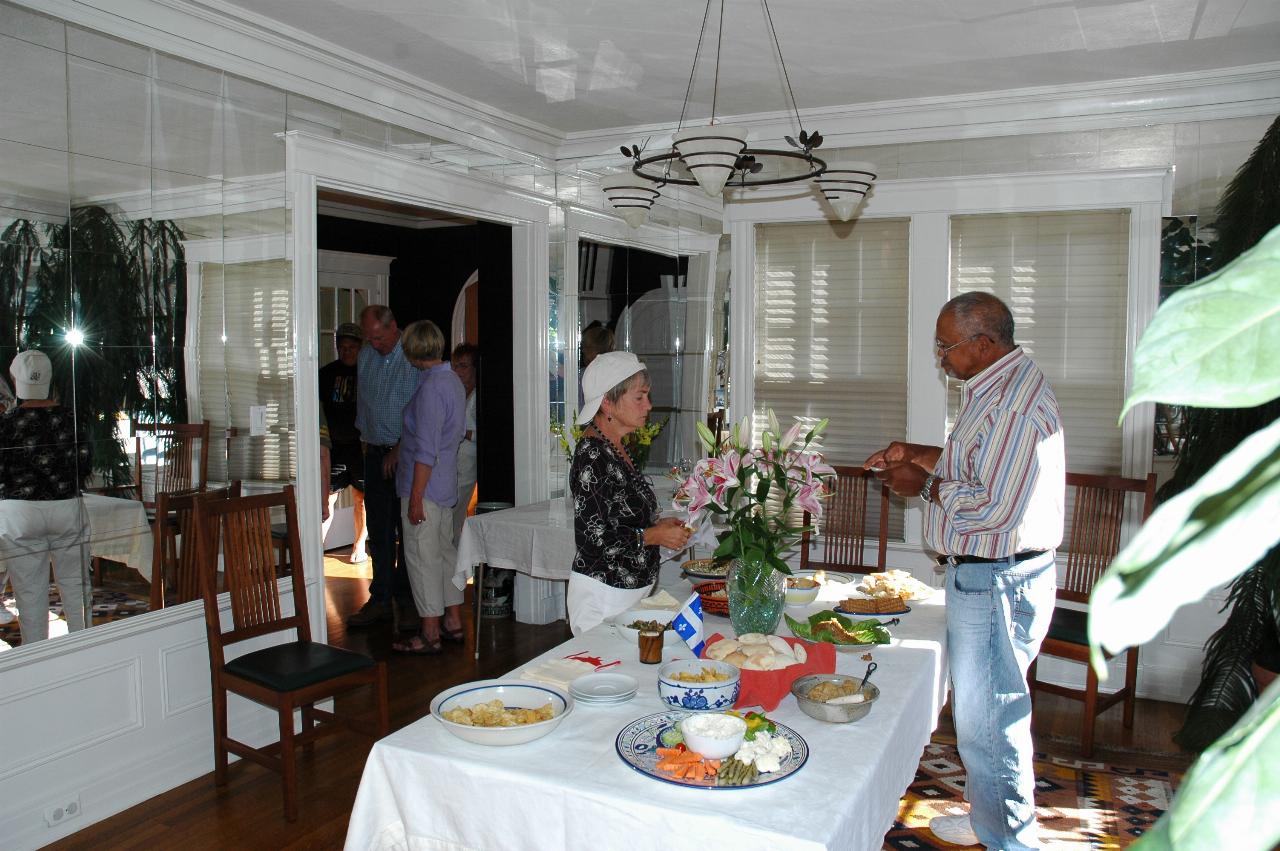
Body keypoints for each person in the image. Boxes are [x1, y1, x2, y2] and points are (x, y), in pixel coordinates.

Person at [864, 292, 1064, 850]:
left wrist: (922, 486)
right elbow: (976, 466)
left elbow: (996, 506)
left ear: (983, 343)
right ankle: (990, 821)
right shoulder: (996, 387)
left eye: (946, 346)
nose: (941, 357)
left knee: (991, 724)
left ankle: (1009, 841)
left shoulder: (1014, 404)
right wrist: (919, 454)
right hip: (993, 575)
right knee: (981, 717)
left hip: (1000, 578)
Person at [567, 351, 690, 635]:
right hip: (603, 597)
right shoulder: (592, 456)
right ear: (608, 402)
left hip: (627, 593)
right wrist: (652, 536)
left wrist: (657, 527)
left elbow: (621, 520)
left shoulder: (615, 445)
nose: (648, 405)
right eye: (639, 397)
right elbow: (591, 539)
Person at [0, 351, 92, 645]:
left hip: (20, 514)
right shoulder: (71, 419)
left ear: (16, 381)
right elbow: (85, 466)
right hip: (67, 508)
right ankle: (87, 653)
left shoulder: (6, 423)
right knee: (77, 589)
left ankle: (37, 661)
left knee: (29, 594)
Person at [391, 321, 466, 655]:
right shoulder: (451, 380)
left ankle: (430, 631)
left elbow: (426, 449)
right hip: (445, 482)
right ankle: (453, 620)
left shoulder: (432, 388)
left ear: (411, 351)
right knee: (445, 553)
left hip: (426, 485)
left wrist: (416, 496)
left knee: (422, 557)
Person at [349, 305, 420, 629]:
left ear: (394, 327)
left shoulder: (412, 355)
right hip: (374, 453)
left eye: (379, 337)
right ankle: (379, 598)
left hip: (404, 454)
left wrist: (400, 448)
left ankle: (405, 601)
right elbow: (364, 399)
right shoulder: (366, 356)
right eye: (370, 338)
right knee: (378, 530)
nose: (374, 343)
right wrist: (365, 438)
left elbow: (421, 409)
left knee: (406, 530)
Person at [319, 322, 367, 560]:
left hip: (361, 447)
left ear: (360, 348)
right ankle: (316, 551)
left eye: (352, 347)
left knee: (362, 498)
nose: (347, 351)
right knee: (327, 497)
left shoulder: (368, 372)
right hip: (335, 447)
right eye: (343, 347)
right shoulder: (326, 374)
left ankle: (358, 546)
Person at [450, 343, 480, 544]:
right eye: (455, 366)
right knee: (450, 516)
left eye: (463, 366)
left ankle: (456, 567)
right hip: (449, 462)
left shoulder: (479, 395)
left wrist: (463, 432)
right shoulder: (454, 391)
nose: (458, 371)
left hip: (467, 464)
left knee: (456, 514)